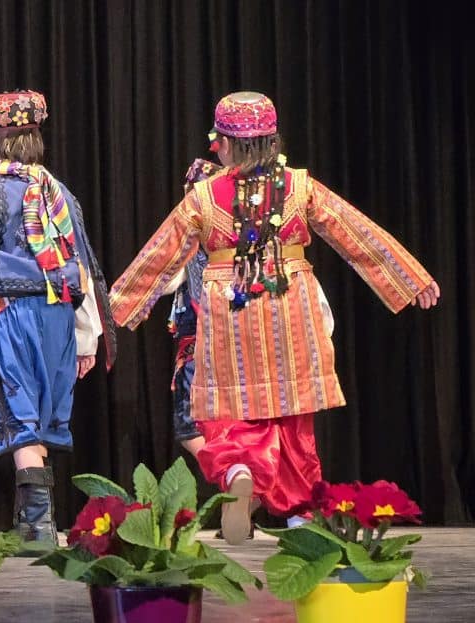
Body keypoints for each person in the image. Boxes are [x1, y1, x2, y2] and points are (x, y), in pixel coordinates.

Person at [109, 92, 439, 543]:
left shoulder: (202, 197)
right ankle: (300, 518)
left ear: (225, 144)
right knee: (293, 423)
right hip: (289, 306)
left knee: (228, 414)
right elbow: (353, 232)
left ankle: (238, 470)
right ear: (272, 141)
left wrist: (119, 305)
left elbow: (160, 254)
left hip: (230, 307)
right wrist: (408, 276)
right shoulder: (300, 187)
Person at [0, 90, 115, 550]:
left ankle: (39, 524)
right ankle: (30, 521)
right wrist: (87, 337)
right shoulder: (61, 195)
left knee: (18, 416)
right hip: (58, 315)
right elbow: (81, 266)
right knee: (38, 416)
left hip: (9, 313)